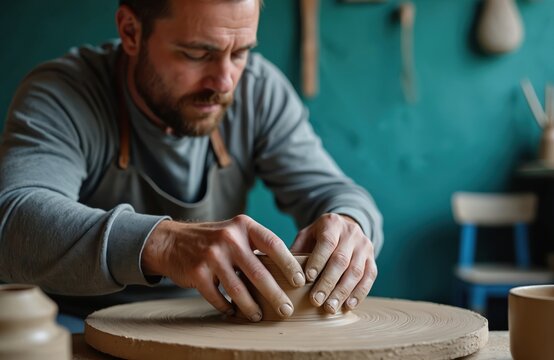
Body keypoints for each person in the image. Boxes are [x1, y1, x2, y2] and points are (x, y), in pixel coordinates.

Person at [0, 0, 382, 323]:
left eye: (241, 52)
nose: (225, 82)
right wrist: (163, 244)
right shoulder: (64, 94)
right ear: (131, 31)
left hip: (208, 325)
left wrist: (350, 222)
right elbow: (13, 221)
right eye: (198, 54)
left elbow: (332, 191)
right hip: (75, 325)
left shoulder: (259, 91)